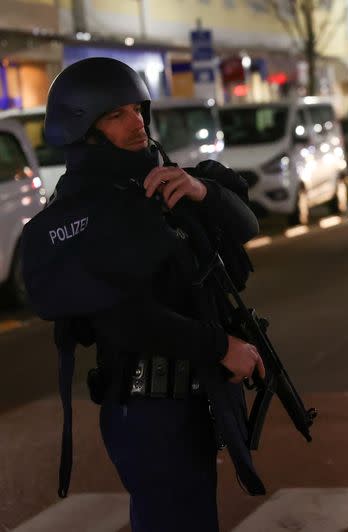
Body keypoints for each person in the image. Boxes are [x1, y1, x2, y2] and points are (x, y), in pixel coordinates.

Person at [21, 57, 267, 532]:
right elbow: (124, 319)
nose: (135, 122)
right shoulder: (89, 209)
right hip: (149, 411)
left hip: (184, 402)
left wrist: (203, 191)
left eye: (137, 109)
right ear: (84, 129)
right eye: (116, 115)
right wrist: (221, 348)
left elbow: (245, 227)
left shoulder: (150, 182)